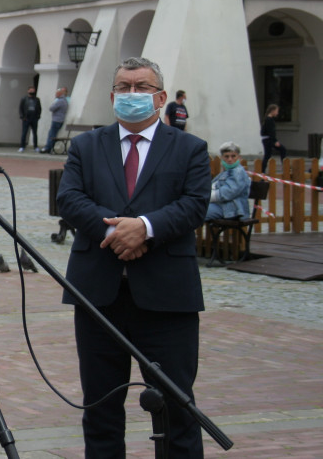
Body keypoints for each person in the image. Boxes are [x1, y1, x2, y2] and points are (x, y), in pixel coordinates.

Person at [56, 57, 210, 458]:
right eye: (123, 87)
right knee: (100, 410)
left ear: (160, 97)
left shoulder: (190, 148)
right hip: (99, 298)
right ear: (112, 97)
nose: (131, 94)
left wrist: (145, 227)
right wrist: (115, 232)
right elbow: (69, 198)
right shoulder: (87, 145)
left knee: (177, 408)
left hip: (166, 300)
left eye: (141, 87)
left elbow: (194, 204)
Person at [205, 141, 251, 221]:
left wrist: (206, 196)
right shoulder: (227, 171)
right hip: (221, 206)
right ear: (222, 157)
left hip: (231, 210)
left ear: (239, 157)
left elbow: (228, 192)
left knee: (196, 212)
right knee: (193, 211)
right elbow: (214, 185)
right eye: (226, 156)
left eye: (233, 156)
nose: (230, 159)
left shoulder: (238, 172)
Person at [41, 87, 69, 153]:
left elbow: (51, 108)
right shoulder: (64, 100)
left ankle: (48, 148)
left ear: (59, 94)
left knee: (51, 134)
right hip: (60, 119)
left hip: (57, 120)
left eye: (56, 93)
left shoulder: (60, 101)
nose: (55, 95)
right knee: (52, 134)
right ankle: (49, 147)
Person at [260, 104, 286, 173]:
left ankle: (262, 170)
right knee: (282, 149)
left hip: (267, 139)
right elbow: (271, 132)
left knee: (268, 155)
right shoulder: (269, 120)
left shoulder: (267, 119)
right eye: (277, 111)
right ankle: (285, 166)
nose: (277, 113)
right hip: (269, 140)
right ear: (272, 111)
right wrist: (275, 141)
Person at [19, 86, 41, 152]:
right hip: (26, 118)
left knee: (35, 133)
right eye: (31, 90)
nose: (32, 92)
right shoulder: (24, 99)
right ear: (28, 91)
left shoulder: (37, 99)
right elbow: (21, 108)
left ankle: (35, 147)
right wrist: (22, 117)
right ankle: (22, 146)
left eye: (33, 90)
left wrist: (38, 116)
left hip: (34, 118)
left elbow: (39, 108)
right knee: (24, 133)